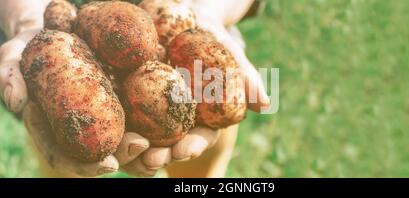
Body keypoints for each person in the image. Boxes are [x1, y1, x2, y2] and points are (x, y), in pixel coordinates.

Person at [0, 0, 269, 178]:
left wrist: (210, 13)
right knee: (64, 164)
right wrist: (26, 19)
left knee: (205, 161)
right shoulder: (60, 39)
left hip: (185, 9)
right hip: (59, 19)